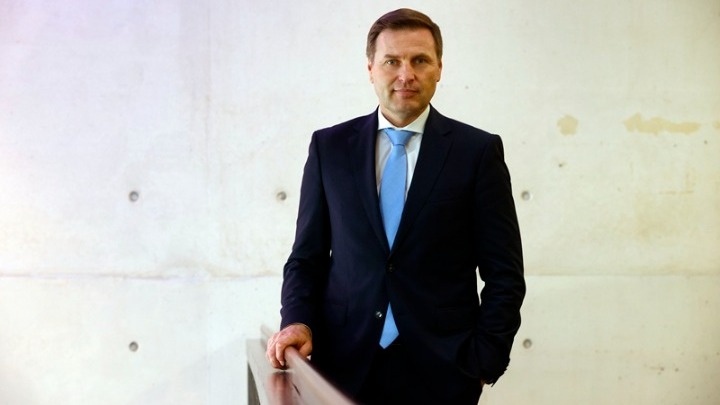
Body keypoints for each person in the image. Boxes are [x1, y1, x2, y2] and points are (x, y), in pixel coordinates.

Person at [266, 8, 525, 404]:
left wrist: (483, 362)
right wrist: (297, 321)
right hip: (342, 368)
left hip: (444, 373)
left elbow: (505, 274)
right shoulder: (329, 149)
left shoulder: (477, 152)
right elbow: (306, 259)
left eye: (420, 60)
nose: (406, 74)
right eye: (392, 61)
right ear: (370, 69)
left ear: (439, 68)